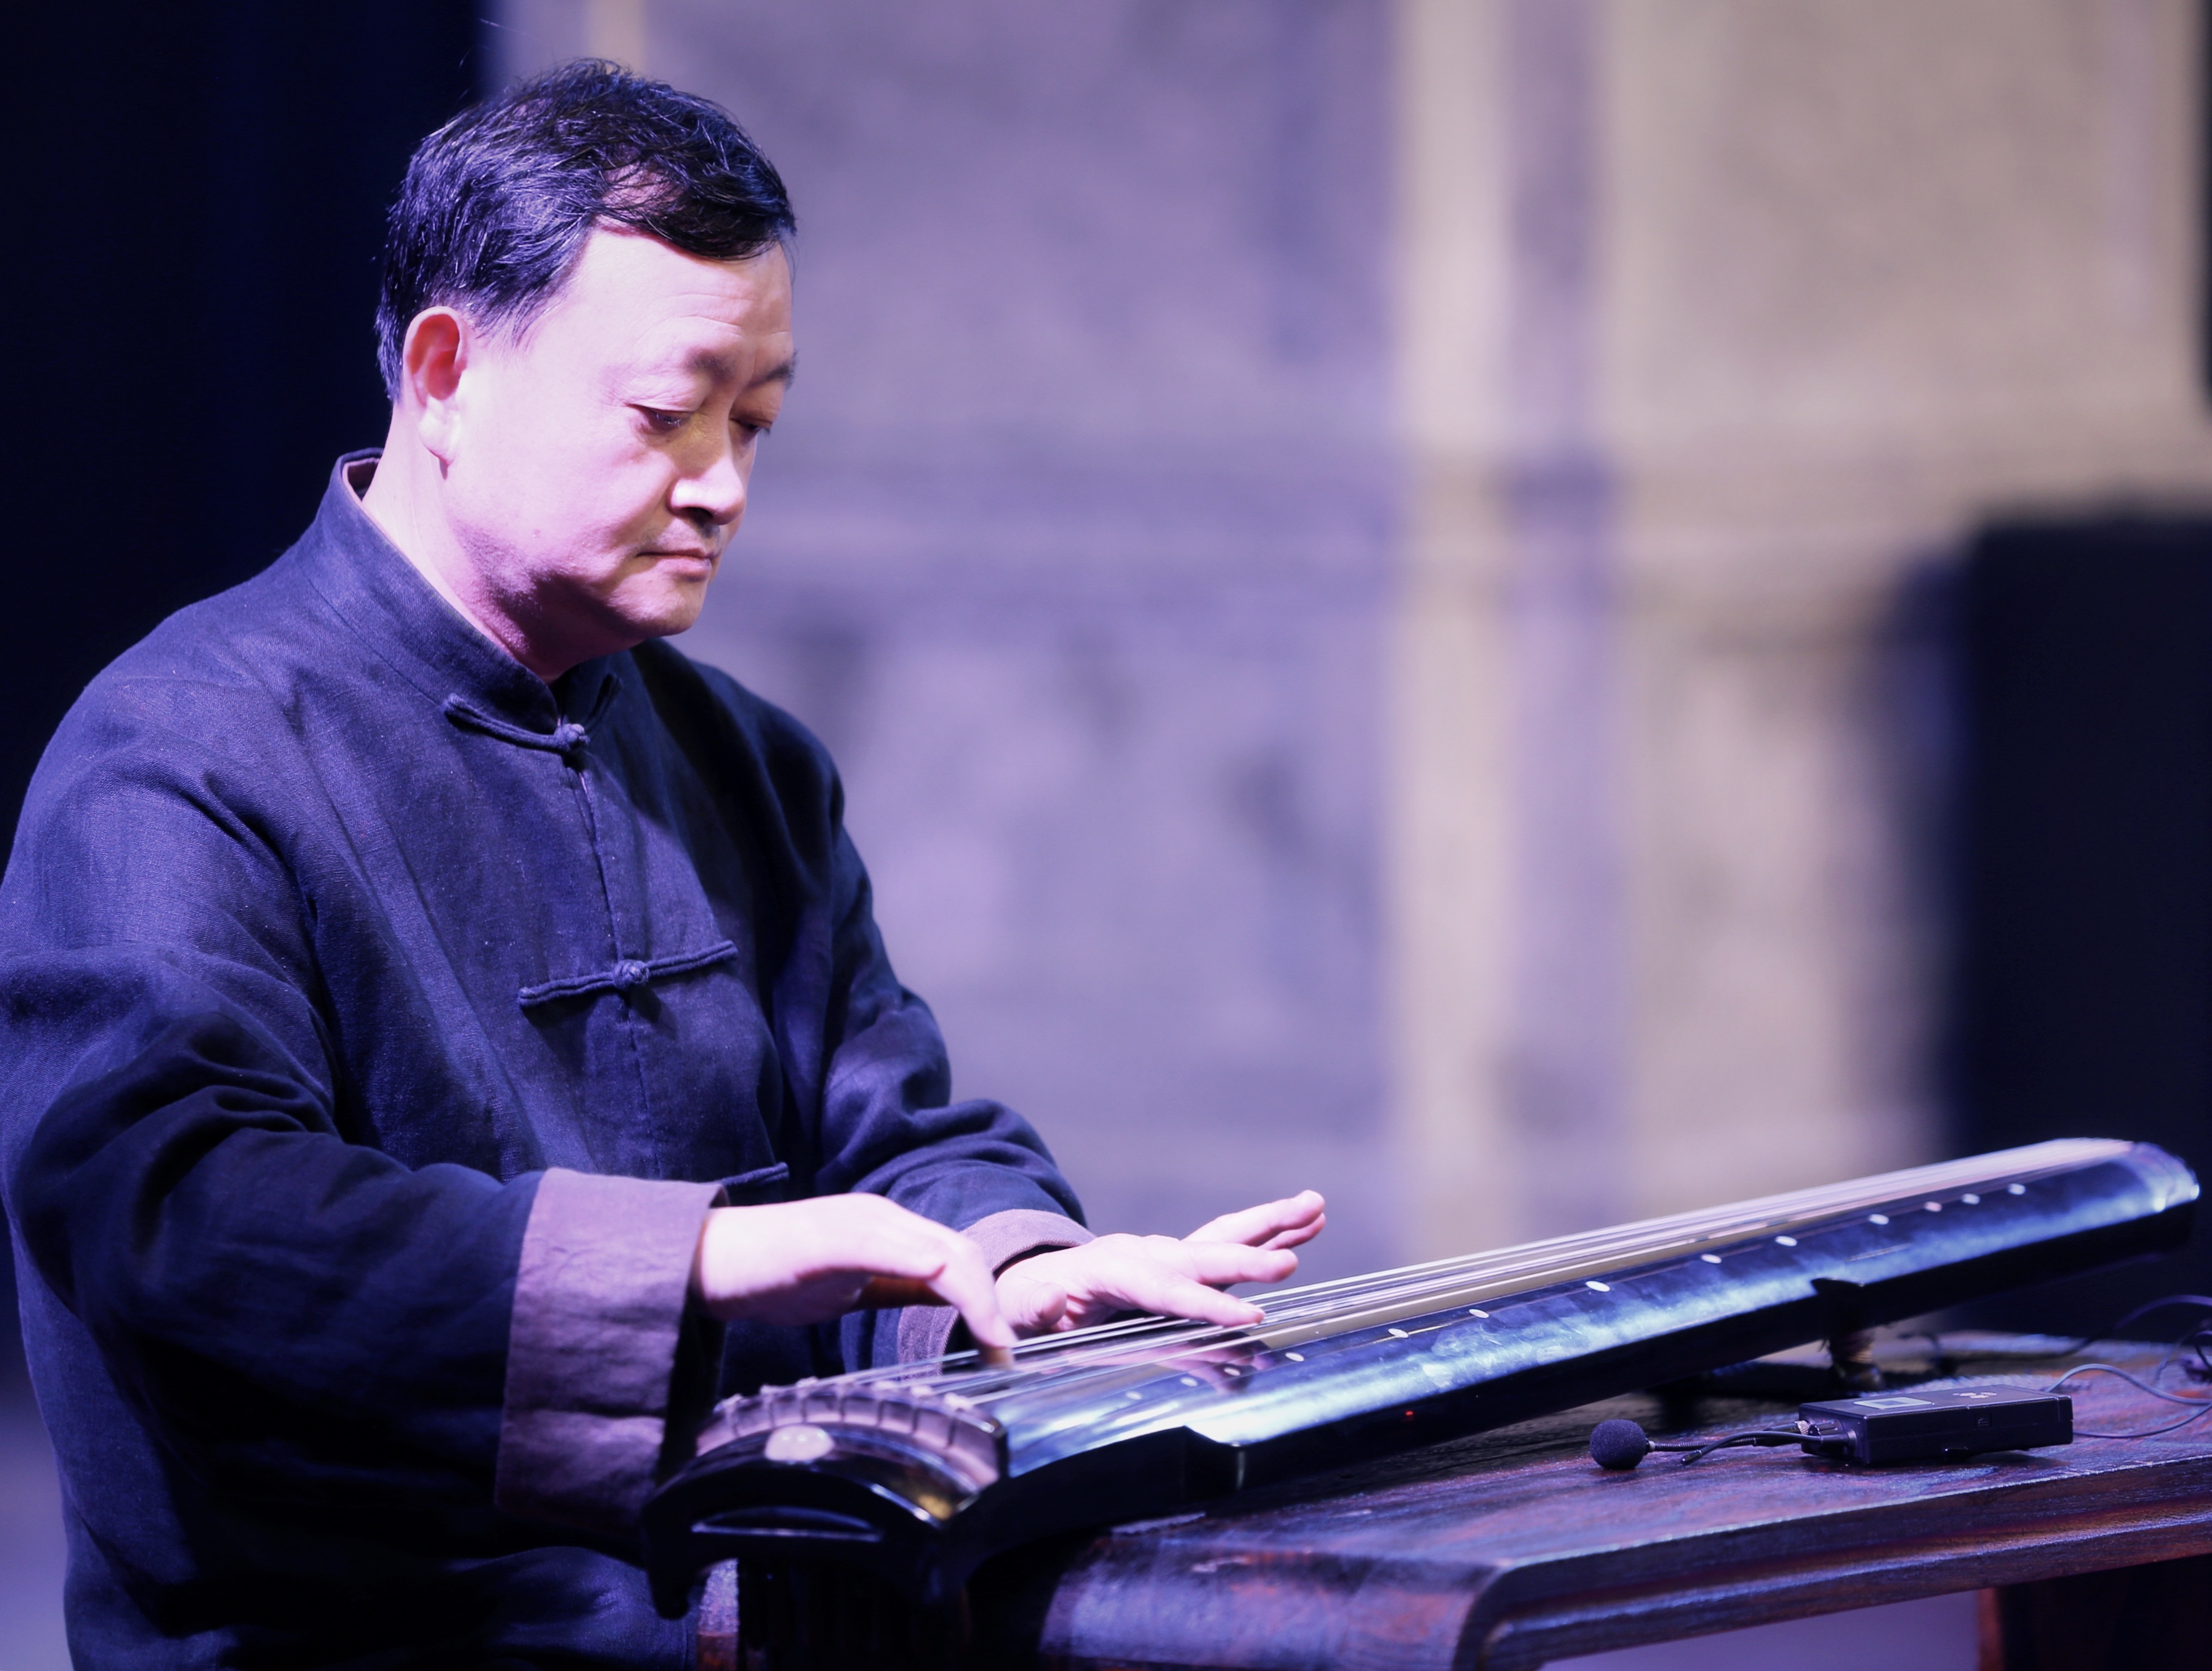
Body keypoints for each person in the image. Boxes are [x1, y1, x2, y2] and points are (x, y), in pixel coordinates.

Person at [0, 62, 1324, 1669]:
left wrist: (1020, 1264)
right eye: (665, 415)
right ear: (446, 372)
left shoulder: (744, 757)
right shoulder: (178, 753)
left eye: (754, 420)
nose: (723, 485)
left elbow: (893, 1131)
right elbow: (181, 1213)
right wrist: (698, 1254)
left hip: (748, 1615)